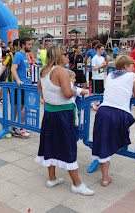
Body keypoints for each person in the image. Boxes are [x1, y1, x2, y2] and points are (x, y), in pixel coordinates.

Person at [35, 45, 94, 196]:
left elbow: (39, 87)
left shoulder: (44, 70)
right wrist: (80, 91)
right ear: (58, 55)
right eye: (65, 54)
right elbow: (68, 93)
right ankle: (77, 184)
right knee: (68, 147)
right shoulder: (61, 70)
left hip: (49, 113)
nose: (68, 56)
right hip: (62, 115)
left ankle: (52, 178)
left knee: (50, 144)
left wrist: (47, 98)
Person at [92, 55, 135, 187]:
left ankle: (104, 178)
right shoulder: (132, 76)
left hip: (103, 111)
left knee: (104, 144)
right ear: (126, 66)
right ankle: (107, 167)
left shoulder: (109, 75)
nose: (134, 68)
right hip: (119, 113)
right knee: (116, 141)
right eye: (132, 66)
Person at [11, 37, 33, 138]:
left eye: (31, 44)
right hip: (21, 85)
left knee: (24, 106)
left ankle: (19, 125)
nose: (31, 46)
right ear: (23, 45)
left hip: (26, 84)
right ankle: (19, 128)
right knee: (26, 106)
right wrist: (18, 80)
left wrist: (29, 80)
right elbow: (13, 68)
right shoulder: (19, 55)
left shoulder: (25, 55)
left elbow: (25, 71)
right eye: (29, 44)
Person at [91, 44, 107, 110]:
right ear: (98, 50)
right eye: (101, 49)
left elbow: (103, 67)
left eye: (103, 49)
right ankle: (92, 103)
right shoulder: (94, 58)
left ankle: (98, 104)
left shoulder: (102, 58)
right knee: (95, 91)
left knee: (100, 91)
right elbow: (93, 68)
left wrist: (104, 66)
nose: (103, 51)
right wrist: (100, 66)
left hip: (101, 76)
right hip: (95, 77)